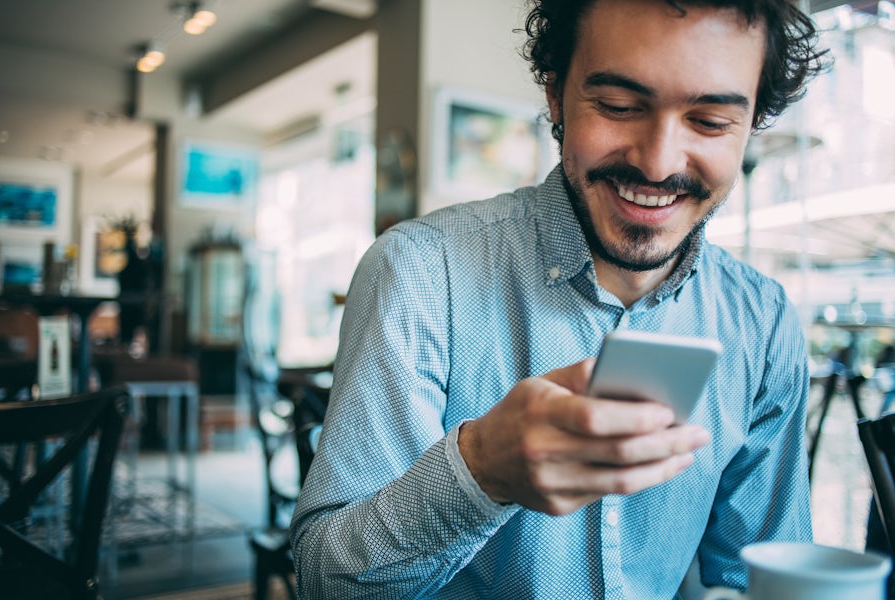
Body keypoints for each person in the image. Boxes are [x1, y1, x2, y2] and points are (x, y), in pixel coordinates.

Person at [291, 0, 828, 597]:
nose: (657, 161)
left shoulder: (763, 320)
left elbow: (763, 577)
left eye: (709, 121)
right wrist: (480, 473)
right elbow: (327, 582)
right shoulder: (420, 273)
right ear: (555, 95)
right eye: (619, 107)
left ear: (752, 124)